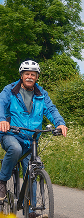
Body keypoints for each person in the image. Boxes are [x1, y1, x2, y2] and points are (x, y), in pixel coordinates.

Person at [0, 60, 68, 205]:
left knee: (33, 170)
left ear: (37, 77)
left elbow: (51, 109)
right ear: (21, 75)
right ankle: (2, 181)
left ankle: (31, 211)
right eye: (27, 74)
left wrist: (60, 123)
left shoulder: (42, 94)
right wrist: (2, 120)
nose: (30, 76)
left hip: (31, 139)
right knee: (15, 149)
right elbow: (1, 104)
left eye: (33, 74)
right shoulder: (10, 90)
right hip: (11, 134)